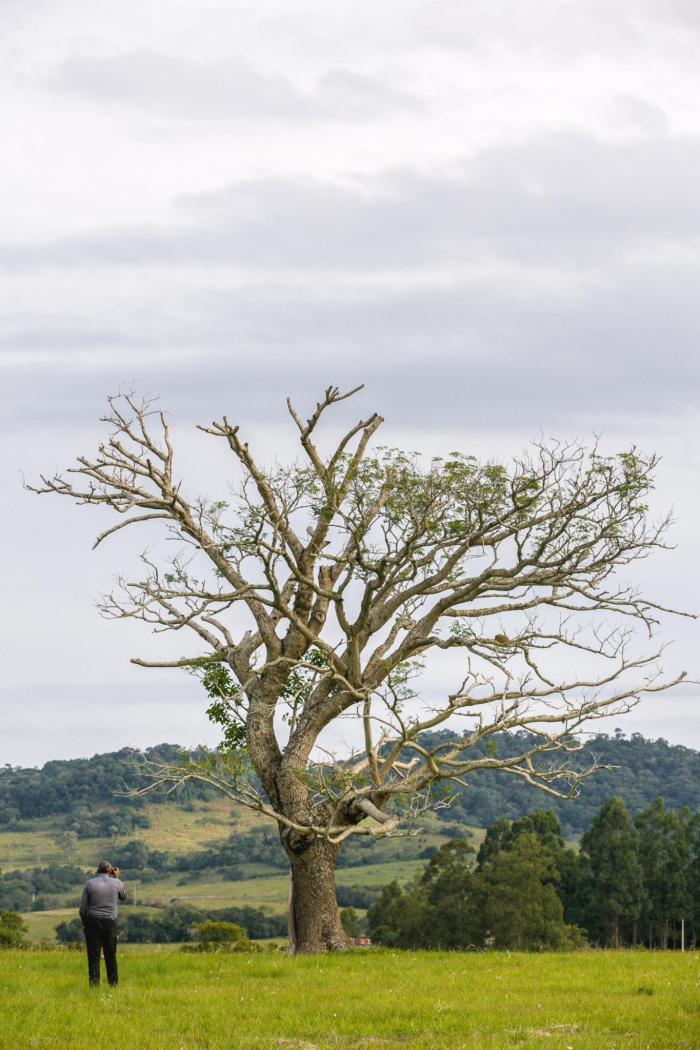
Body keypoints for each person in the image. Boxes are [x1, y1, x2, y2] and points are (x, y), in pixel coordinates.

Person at [79, 859, 127, 987]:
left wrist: (85, 924)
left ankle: (94, 987)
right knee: (111, 956)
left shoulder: (89, 884)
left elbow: (82, 910)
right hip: (110, 923)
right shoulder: (117, 883)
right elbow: (123, 896)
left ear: (97, 871)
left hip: (93, 923)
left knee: (93, 958)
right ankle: (113, 986)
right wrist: (116, 878)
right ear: (110, 870)